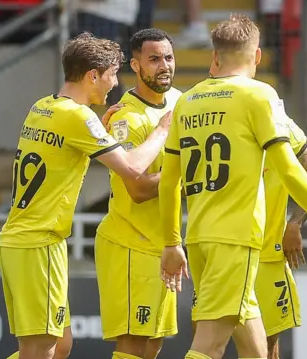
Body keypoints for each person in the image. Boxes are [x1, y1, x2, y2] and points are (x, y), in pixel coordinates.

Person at [158, 14, 307, 359]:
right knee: (210, 343)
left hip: (199, 237)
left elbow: (170, 180)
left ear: (214, 58)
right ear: (257, 56)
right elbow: (289, 167)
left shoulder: (186, 101)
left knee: (255, 345)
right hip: (236, 238)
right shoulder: (259, 95)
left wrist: (172, 241)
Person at [0, 32, 171, 359]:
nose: (115, 83)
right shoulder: (78, 117)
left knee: (60, 345)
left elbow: (66, 149)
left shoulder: (43, 106)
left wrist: (100, 132)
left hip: (20, 241)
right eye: (111, 75)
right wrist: (162, 130)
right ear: (93, 75)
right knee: (41, 349)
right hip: (39, 243)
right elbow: (133, 168)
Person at [206, 62, 307, 359]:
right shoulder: (214, 125)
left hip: (267, 256)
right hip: (225, 251)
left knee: (266, 348)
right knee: (213, 342)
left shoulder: (282, 126)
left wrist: (294, 223)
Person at [95, 28, 181, 359]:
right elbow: (139, 189)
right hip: (130, 242)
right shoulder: (126, 118)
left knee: (153, 344)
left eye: (169, 57)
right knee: (133, 343)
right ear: (136, 65)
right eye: (154, 59)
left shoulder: (179, 102)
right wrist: (186, 174)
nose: (164, 66)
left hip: (160, 244)